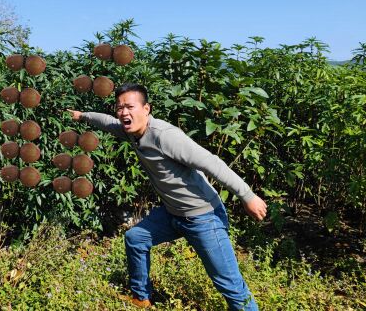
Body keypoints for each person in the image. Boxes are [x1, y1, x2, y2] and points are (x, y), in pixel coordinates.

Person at [67, 83, 266, 310]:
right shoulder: (128, 129)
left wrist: (247, 195)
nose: (123, 113)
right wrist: (82, 115)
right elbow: (107, 122)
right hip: (172, 213)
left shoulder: (165, 136)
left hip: (203, 217)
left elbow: (212, 163)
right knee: (136, 239)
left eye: (130, 106)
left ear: (146, 109)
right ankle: (141, 298)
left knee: (229, 284)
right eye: (120, 107)